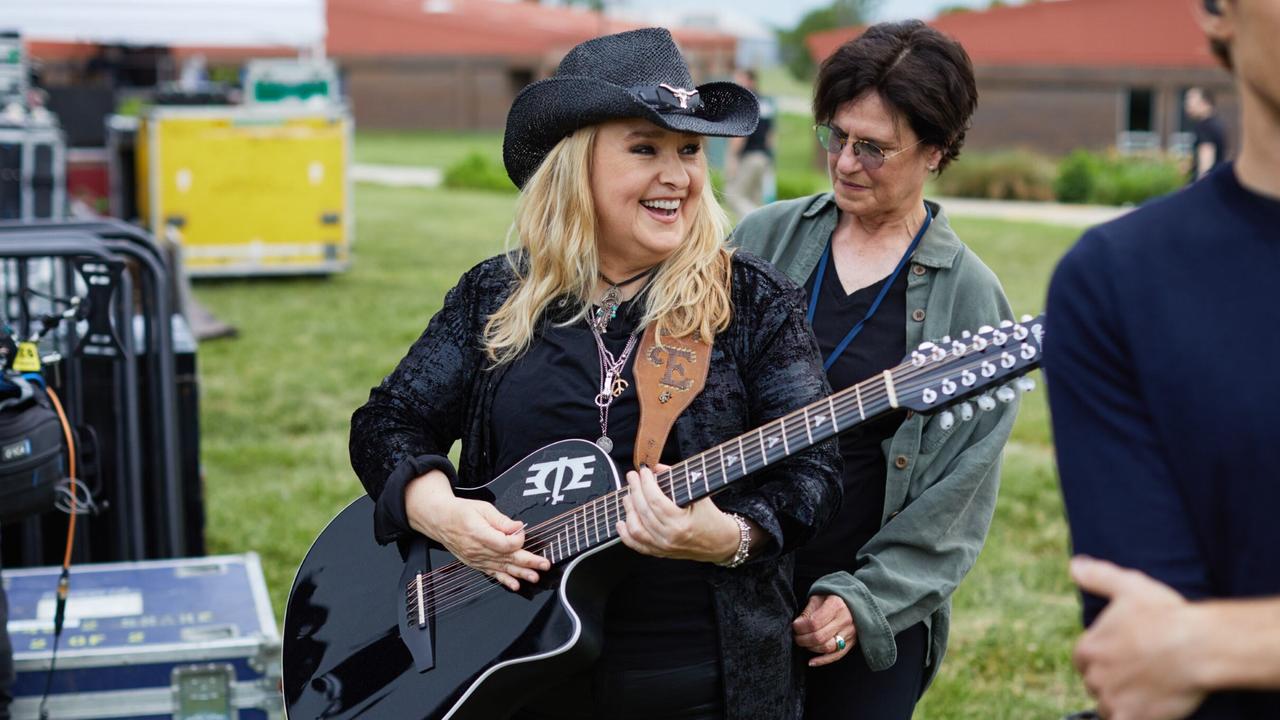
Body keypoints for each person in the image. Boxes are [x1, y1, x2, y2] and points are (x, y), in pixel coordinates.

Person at [349, 28, 841, 720]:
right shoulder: (496, 294)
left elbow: (814, 476)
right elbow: (388, 423)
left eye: (691, 150)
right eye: (645, 148)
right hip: (503, 674)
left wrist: (726, 537)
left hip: (699, 685)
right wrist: (444, 514)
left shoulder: (752, 301)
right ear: (575, 165)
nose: (678, 177)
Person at [731, 20, 1017, 720]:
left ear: (936, 152)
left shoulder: (972, 298)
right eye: (836, 136)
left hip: (864, 606)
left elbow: (958, 499)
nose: (846, 163)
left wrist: (863, 601)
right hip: (735, 581)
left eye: (874, 148)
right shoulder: (762, 239)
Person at [1044, 0, 1280, 717]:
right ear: (1217, 11)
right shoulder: (1119, 282)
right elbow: (1143, 649)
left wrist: (1217, 643)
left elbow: (1179, 649)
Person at [724, 68, 775, 217]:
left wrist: (732, 158)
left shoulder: (745, 103)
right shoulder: (765, 102)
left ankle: (759, 221)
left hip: (749, 157)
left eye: (741, 79)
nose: (737, 83)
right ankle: (759, 233)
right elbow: (770, 136)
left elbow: (740, 135)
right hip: (763, 157)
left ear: (751, 81)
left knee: (733, 196)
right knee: (756, 200)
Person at [1184, 86, 1228, 181]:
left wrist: (1199, 186)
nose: (1187, 104)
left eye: (1191, 99)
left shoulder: (1205, 127)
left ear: (1205, 103)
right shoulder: (1216, 124)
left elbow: (1206, 159)